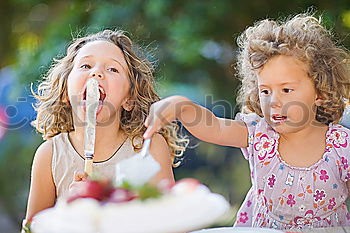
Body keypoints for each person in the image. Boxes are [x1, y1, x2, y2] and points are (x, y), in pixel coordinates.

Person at [143, 14, 350, 230]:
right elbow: (215, 127)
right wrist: (181, 106)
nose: (274, 101)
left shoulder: (342, 145)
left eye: (287, 90)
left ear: (320, 92)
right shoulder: (259, 133)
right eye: (265, 91)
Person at [24, 30, 188, 221]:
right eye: (86, 65)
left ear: (129, 98)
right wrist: (67, 212)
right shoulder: (50, 155)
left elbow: (170, 222)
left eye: (112, 69)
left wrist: (110, 203)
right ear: (65, 92)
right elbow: (32, 227)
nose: (96, 73)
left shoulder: (147, 148)